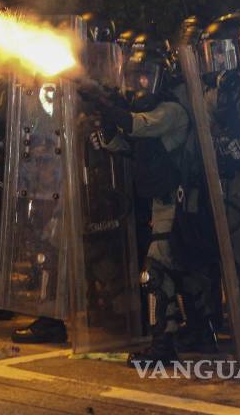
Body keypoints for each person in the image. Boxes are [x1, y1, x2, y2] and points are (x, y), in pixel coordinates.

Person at [83, 45, 190, 362]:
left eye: (146, 77)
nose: (140, 84)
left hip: (179, 204)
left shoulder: (171, 111)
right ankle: (168, 341)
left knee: (156, 272)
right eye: (135, 77)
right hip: (159, 205)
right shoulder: (148, 112)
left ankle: (163, 347)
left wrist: (106, 105)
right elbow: (129, 145)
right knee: (162, 274)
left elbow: (137, 125)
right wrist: (106, 130)